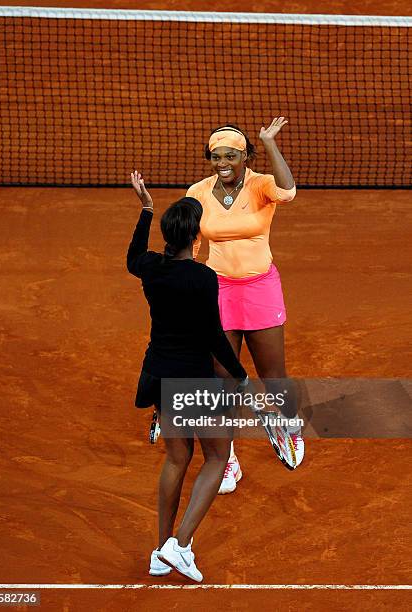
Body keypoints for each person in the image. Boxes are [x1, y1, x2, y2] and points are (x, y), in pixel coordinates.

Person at [127, 171, 248, 582]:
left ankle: (160, 551)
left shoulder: (150, 269)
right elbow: (213, 336)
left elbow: (132, 257)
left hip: (160, 375)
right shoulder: (202, 278)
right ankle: (180, 545)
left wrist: (146, 208)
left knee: (177, 457)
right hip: (193, 381)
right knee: (217, 456)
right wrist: (241, 375)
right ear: (196, 238)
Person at [186, 118, 304, 494]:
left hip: (260, 289)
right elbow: (190, 246)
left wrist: (270, 143)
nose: (223, 162)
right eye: (216, 156)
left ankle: (288, 424)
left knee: (274, 375)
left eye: (232, 156)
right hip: (217, 290)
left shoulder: (260, 184)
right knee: (222, 378)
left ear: (245, 157)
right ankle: (227, 455)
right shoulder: (198, 192)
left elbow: (288, 192)